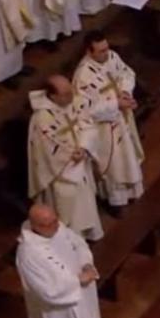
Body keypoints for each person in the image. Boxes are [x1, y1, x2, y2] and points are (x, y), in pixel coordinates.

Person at [73, 32, 145, 209]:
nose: (106, 54)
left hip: (122, 118)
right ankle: (116, 202)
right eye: (101, 51)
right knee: (115, 166)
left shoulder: (112, 57)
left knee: (128, 158)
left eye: (107, 48)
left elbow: (127, 73)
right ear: (89, 52)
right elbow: (84, 110)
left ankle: (134, 192)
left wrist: (126, 91)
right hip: (104, 128)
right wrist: (115, 104)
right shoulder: (83, 77)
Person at [26, 77, 103, 241]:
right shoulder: (41, 119)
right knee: (70, 210)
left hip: (81, 161)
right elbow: (46, 149)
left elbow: (88, 125)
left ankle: (90, 233)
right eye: (66, 94)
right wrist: (71, 155)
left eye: (71, 91)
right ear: (53, 96)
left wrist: (84, 147)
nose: (72, 96)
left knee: (87, 203)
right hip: (62, 171)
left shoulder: (74, 103)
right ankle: (74, 241)